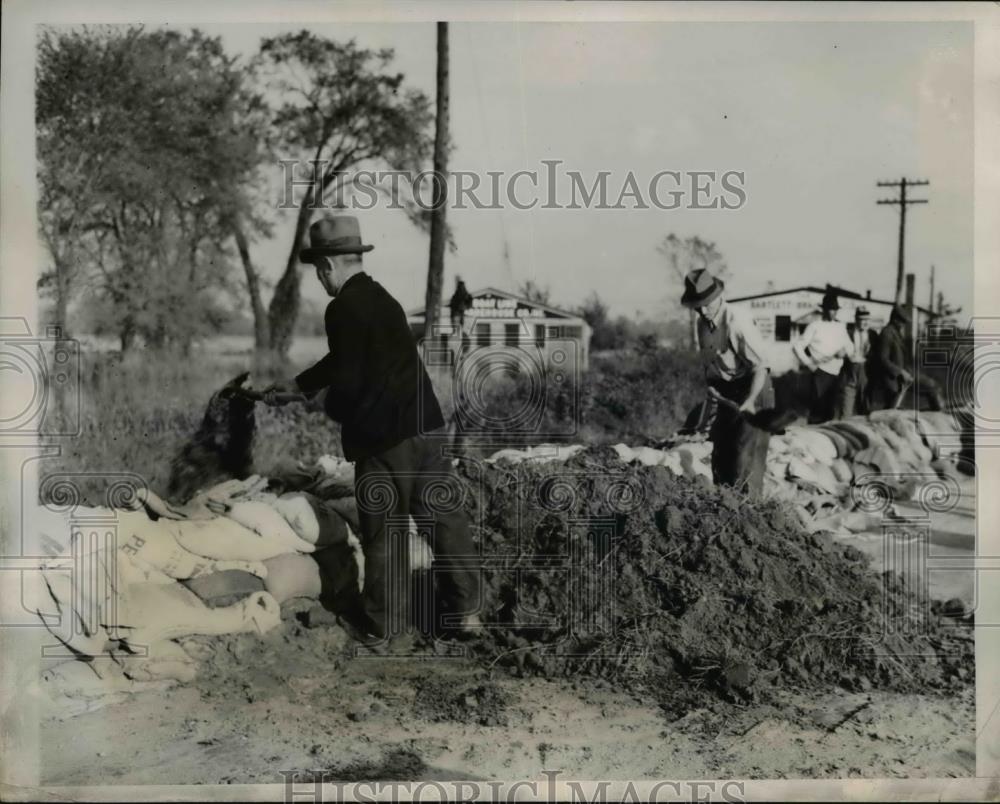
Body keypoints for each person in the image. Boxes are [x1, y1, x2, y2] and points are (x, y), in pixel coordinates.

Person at [263, 215, 481, 646]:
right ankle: (468, 612)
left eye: (319, 271)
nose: (321, 279)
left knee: (385, 532)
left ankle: (381, 626)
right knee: (444, 521)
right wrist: (299, 386)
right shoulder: (383, 299)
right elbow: (345, 359)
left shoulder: (340, 307)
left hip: (385, 441)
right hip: (427, 428)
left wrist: (323, 406)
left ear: (327, 266)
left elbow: (346, 381)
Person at [680, 269, 773, 494]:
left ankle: (749, 514)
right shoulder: (702, 322)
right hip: (727, 391)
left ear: (719, 297)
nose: (702, 310)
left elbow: (761, 367)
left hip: (754, 389)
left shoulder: (736, 322)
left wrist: (750, 401)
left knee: (744, 460)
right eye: (698, 305)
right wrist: (712, 385)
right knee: (721, 455)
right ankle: (724, 508)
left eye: (707, 304)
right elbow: (710, 361)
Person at [792, 290, 854, 424]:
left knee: (832, 412)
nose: (834, 312)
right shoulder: (814, 326)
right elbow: (797, 346)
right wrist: (809, 364)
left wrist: (845, 351)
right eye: (831, 309)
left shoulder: (840, 327)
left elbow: (850, 347)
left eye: (835, 309)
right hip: (820, 374)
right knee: (818, 412)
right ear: (824, 310)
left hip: (837, 374)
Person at [866, 305, 913, 411]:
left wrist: (906, 372)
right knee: (891, 410)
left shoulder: (896, 332)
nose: (903, 324)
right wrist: (901, 372)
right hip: (890, 379)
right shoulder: (887, 333)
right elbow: (883, 359)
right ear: (895, 319)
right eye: (901, 321)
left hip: (899, 377)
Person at [834, 306, 875, 418]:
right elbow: (839, 350)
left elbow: (878, 356)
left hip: (866, 375)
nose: (864, 322)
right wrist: (842, 353)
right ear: (856, 320)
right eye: (861, 319)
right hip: (849, 375)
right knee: (845, 412)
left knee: (865, 412)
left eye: (866, 319)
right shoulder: (848, 333)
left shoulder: (873, 335)